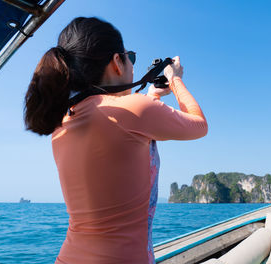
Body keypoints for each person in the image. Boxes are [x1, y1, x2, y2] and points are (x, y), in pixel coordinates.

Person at [24, 17, 208, 264]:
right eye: (130, 57)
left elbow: (122, 127)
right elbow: (199, 125)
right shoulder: (134, 109)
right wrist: (175, 80)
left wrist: (152, 96)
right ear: (117, 63)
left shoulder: (61, 122)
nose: (132, 65)